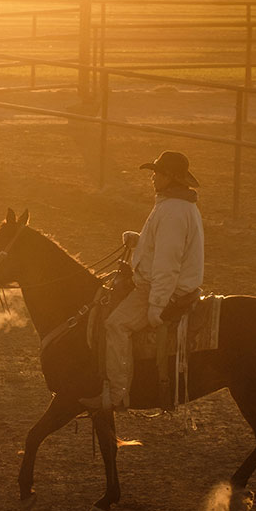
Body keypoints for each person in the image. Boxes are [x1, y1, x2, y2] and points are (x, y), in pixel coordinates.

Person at [81, 151, 205, 412]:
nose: (152, 178)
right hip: (163, 281)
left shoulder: (172, 211)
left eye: (157, 173)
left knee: (116, 325)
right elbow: (164, 246)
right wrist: (140, 240)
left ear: (170, 178)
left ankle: (117, 395)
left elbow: (167, 263)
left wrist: (157, 304)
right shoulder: (177, 205)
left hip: (162, 289)